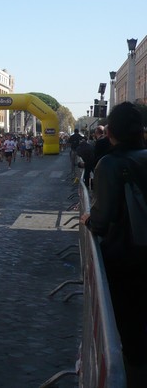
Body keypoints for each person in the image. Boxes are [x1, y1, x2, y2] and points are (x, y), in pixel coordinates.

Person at [80, 102, 147, 385]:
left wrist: (86, 219)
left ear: (111, 132)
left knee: (129, 328)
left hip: (127, 258)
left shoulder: (110, 164)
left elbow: (102, 218)